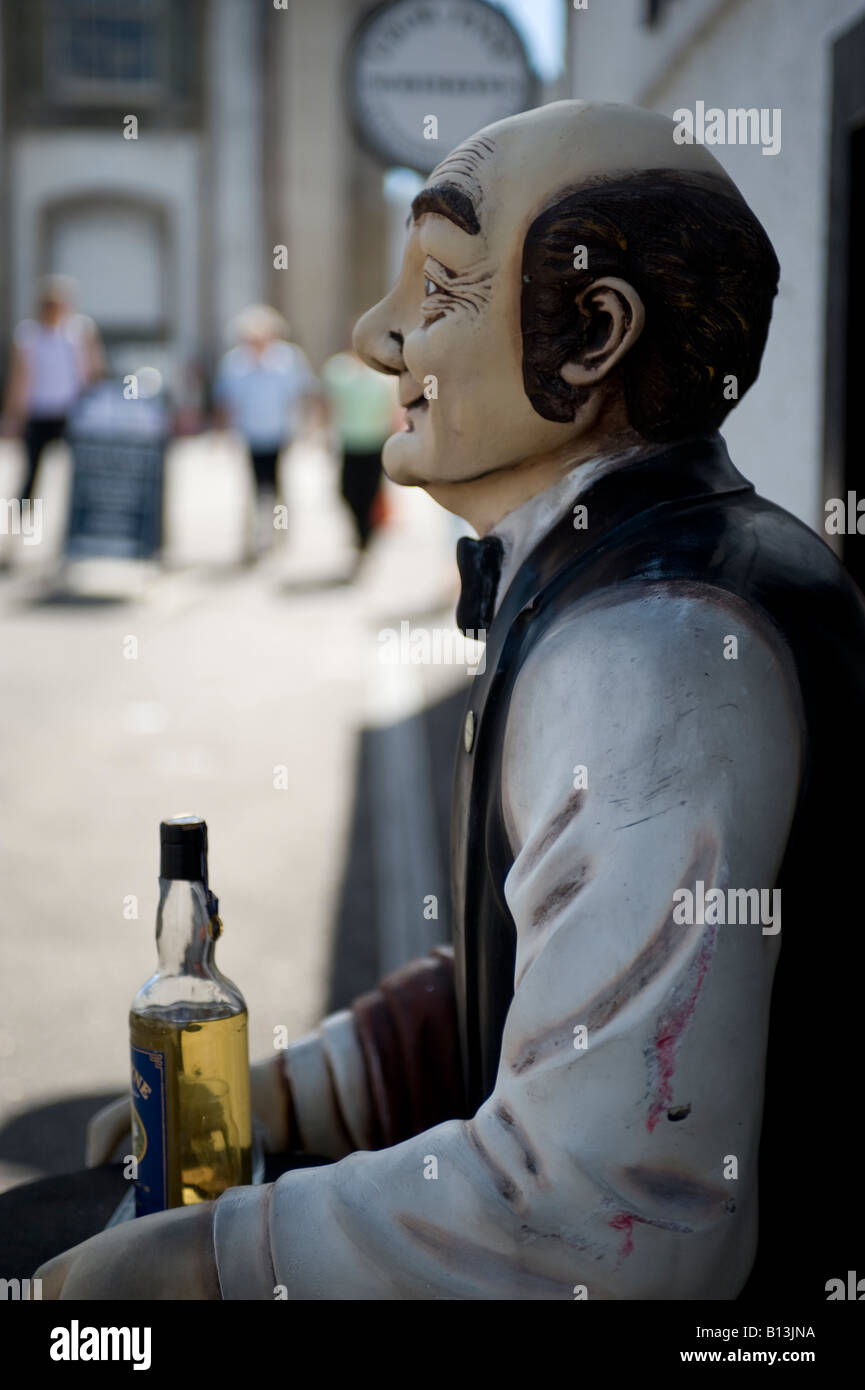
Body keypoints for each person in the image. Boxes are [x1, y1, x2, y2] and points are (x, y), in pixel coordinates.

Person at [40, 101, 864, 1301]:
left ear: (588, 335)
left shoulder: (651, 653)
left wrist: (211, 1264)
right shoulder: (641, 577)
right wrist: (323, 1081)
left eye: (436, 284)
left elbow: (606, 1214)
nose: (379, 337)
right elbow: (562, 973)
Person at [213, 306, 320, 560]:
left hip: (280, 432)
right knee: (254, 487)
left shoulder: (288, 359)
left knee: (278, 485)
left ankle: (280, 533)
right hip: (251, 433)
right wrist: (221, 434)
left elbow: (305, 392)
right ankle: (253, 536)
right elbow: (225, 400)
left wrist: (310, 427)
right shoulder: (234, 363)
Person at [1, 275, 104, 504]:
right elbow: (18, 379)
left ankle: (78, 525)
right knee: (32, 473)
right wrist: (12, 415)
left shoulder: (78, 332)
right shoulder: (28, 336)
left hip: (70, 412)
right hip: (39, 412)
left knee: (81, 471)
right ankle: (22, 524)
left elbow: (94, 370)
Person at [320, 346, 400, 556]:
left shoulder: (383, 378)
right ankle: (361, 528)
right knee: (347, 491)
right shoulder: (339, 372)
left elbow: (393, 409)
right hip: (350, 443)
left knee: (370, 492)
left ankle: (366, 534)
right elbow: (331, 405)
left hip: (375, 443)